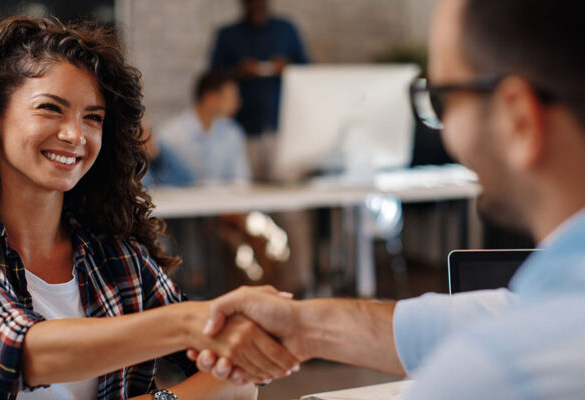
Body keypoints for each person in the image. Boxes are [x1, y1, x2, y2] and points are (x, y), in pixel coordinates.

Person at [190, 0, 585, 398]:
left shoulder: (496, 374)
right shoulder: (557, 310)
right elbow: (505, 313)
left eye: (444, 99)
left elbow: (506, 338)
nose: (445, 131)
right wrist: (302, 326)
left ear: (517, 120)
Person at [0, 16, 299, 400]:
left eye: (93, 118)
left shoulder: (118, 257)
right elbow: (21, 354)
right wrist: (189, 324)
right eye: (50, 108)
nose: (75, 135)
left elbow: (238, 376)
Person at [210, 0, 309, 181]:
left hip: (282, 125)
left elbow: (308, 71)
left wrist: (288, 68)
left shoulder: (286, 29)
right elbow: (213, 77)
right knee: (247, 190)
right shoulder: (228, 34)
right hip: (244, 127)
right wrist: (238, 71)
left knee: (288, 193)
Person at [150, 71, 250, 185]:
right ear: (210, 98)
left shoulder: (233, 133)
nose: (237, 104)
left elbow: (241, 180)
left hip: (226, 201)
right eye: (231, 98)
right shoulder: (171, 135)